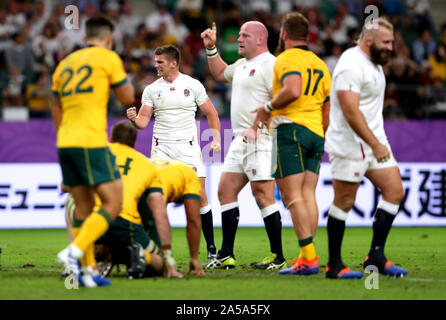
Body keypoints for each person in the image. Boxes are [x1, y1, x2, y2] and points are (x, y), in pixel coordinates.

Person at [63, 121, 204, 282]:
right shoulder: (146, 164)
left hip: (93, 216)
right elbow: (167, 214)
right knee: (158, 259)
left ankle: (78, 254)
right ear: (134, 143)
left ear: (111, 138)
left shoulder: (96, 153)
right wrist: (169, 257)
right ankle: (140, 256)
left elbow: (66, 186)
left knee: (71, 200)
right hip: (125, 218)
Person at [51, 16, 135, 287]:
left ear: (85, 36)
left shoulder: (63, 64)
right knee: (113, 203)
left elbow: (56, 106)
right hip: (91, 141)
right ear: (108, 39)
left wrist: (63, 135)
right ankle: (73, 252)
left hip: (65, 142)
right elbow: (127, 98)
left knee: (84, 209)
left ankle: (87, 273)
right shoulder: (107, 58)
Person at [323, 17, 408, 279]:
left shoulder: (374, 63)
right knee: (344, 202)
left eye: (392, 42)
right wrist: (374, 142)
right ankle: (334, 265)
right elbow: (349, 110)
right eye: (386, 42)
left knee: (394, 191)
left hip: (373, 141)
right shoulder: (350, 64)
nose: (390, 48)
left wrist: (376, 142)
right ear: (368, 40)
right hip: (350, 143)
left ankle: (376, 256)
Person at [250, 12, 331, 276]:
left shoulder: (286, 58)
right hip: (316, 132)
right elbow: (326, 109)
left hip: (290, 129)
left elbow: (293, 89)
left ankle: (308, 258)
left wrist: (267, 107)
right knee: (308, 194)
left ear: (284, 34)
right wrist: (319, 134)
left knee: (291, 196)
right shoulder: (320, 64)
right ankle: (308, 254)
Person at [200, 21, 286, 270]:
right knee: (225, 190)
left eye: (244, 35)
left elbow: (280, 100)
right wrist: (211, 49)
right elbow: (219, 73)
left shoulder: (271, 65)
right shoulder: (242, 65)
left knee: (262, 195)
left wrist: (262, 125)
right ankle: (226, 254)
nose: (238, 39)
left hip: (263, 137)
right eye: (239, 35)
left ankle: (278, 256)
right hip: (240, 138)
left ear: (260, 39)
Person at [126, 45, 221, 259]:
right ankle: (157, 250)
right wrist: (134, 118)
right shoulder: (151, 89)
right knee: (157, 198)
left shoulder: (193, 85)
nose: (155, 65)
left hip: (188, 148)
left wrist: (216, 139)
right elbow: (143, 122)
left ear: (173, 63)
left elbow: (211, 113)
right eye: (155, 61)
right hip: (161, 149)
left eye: (160, 62)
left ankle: (212, 250)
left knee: (201, 198)